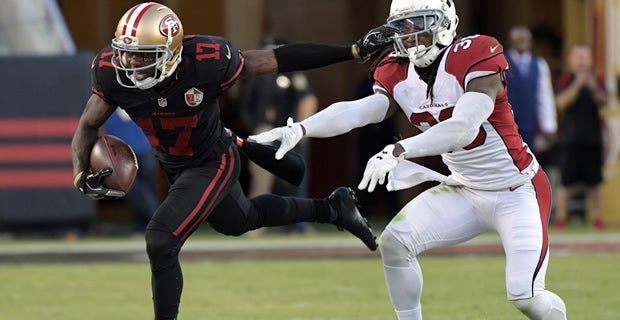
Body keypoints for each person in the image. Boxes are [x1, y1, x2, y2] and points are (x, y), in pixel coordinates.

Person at [71, 2, 396, 319]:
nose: (129, 62)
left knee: (160, 238)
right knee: (241, 219)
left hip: (213, 158)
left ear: (170, 54)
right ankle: (333, 208)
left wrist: (351, 52)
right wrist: (80, 174)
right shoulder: (112, 74)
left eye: (141, 55)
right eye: (125, 52)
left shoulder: (206, 61)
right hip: (175, 164)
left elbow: (279, 59)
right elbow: (88, 124)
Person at [249, 0, 567, 318]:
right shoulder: (398, 68)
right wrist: (301, 129)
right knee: (395, 243)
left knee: (525, 296)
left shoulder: (474, 54)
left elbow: (463, 128)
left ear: (445, 23)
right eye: (403, 26)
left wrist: (400, 149)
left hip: (516, 189)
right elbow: (358, 110)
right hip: (465, 189)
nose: (410, 34)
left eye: (419, 23)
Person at [239, 36, 319, 234]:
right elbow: (245, 106)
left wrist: (301, 130)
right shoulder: (255, 77)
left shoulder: (293, 73)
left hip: (289, 132)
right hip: (264, 133)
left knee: (294, 179)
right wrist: (256, 125)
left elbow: (307, 99)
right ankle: (255, 224)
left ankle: (298, 223)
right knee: (260, 179)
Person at [553, 43, 608, 231]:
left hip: (592, 138)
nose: (582, 61)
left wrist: (592, 87)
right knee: (565, 182)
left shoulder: (598, 80)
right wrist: (578, 83)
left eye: (585, 57)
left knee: (594, 182)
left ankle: (597, 218)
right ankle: (561, 218)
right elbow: (561, 104)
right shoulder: (565, 80)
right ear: (571, 60)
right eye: (578, 57)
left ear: (590, 59)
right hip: (570, 138)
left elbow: (604, 102)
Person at [103, 107, 159, 234]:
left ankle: (145, 224)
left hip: (142, 149)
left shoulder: (133, 101)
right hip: (123, 153)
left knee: (147, 188)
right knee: (134, 189)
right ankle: (155, 221)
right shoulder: (107, 108)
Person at [505, 25, 557, 154]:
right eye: (518, 39)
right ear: (511, 42)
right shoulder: (501, 62)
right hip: (506, 123)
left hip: (529, 123)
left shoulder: (539, 64)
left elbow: (544, 96)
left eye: (525, 39)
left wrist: (549, 125)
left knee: (528, 160)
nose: (522, 42)